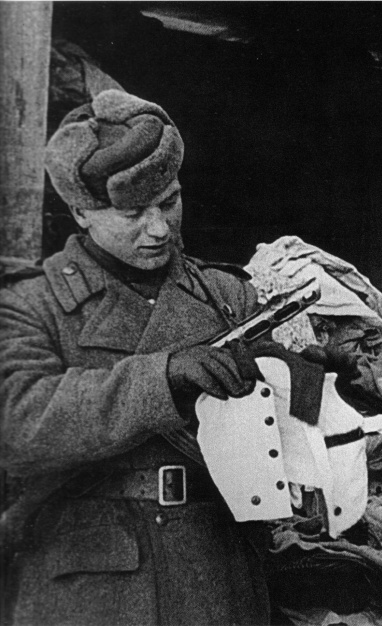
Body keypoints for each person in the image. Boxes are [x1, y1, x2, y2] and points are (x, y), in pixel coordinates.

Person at [0, 90, 272, 625]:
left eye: (169, 202)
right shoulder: (32, 303)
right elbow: (17, 422)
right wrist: (161, 379)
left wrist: (308, 377)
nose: (160, 228)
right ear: (81, 212)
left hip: (216, 571)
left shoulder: (226, 296)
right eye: (132, 213)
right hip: (89, 584)